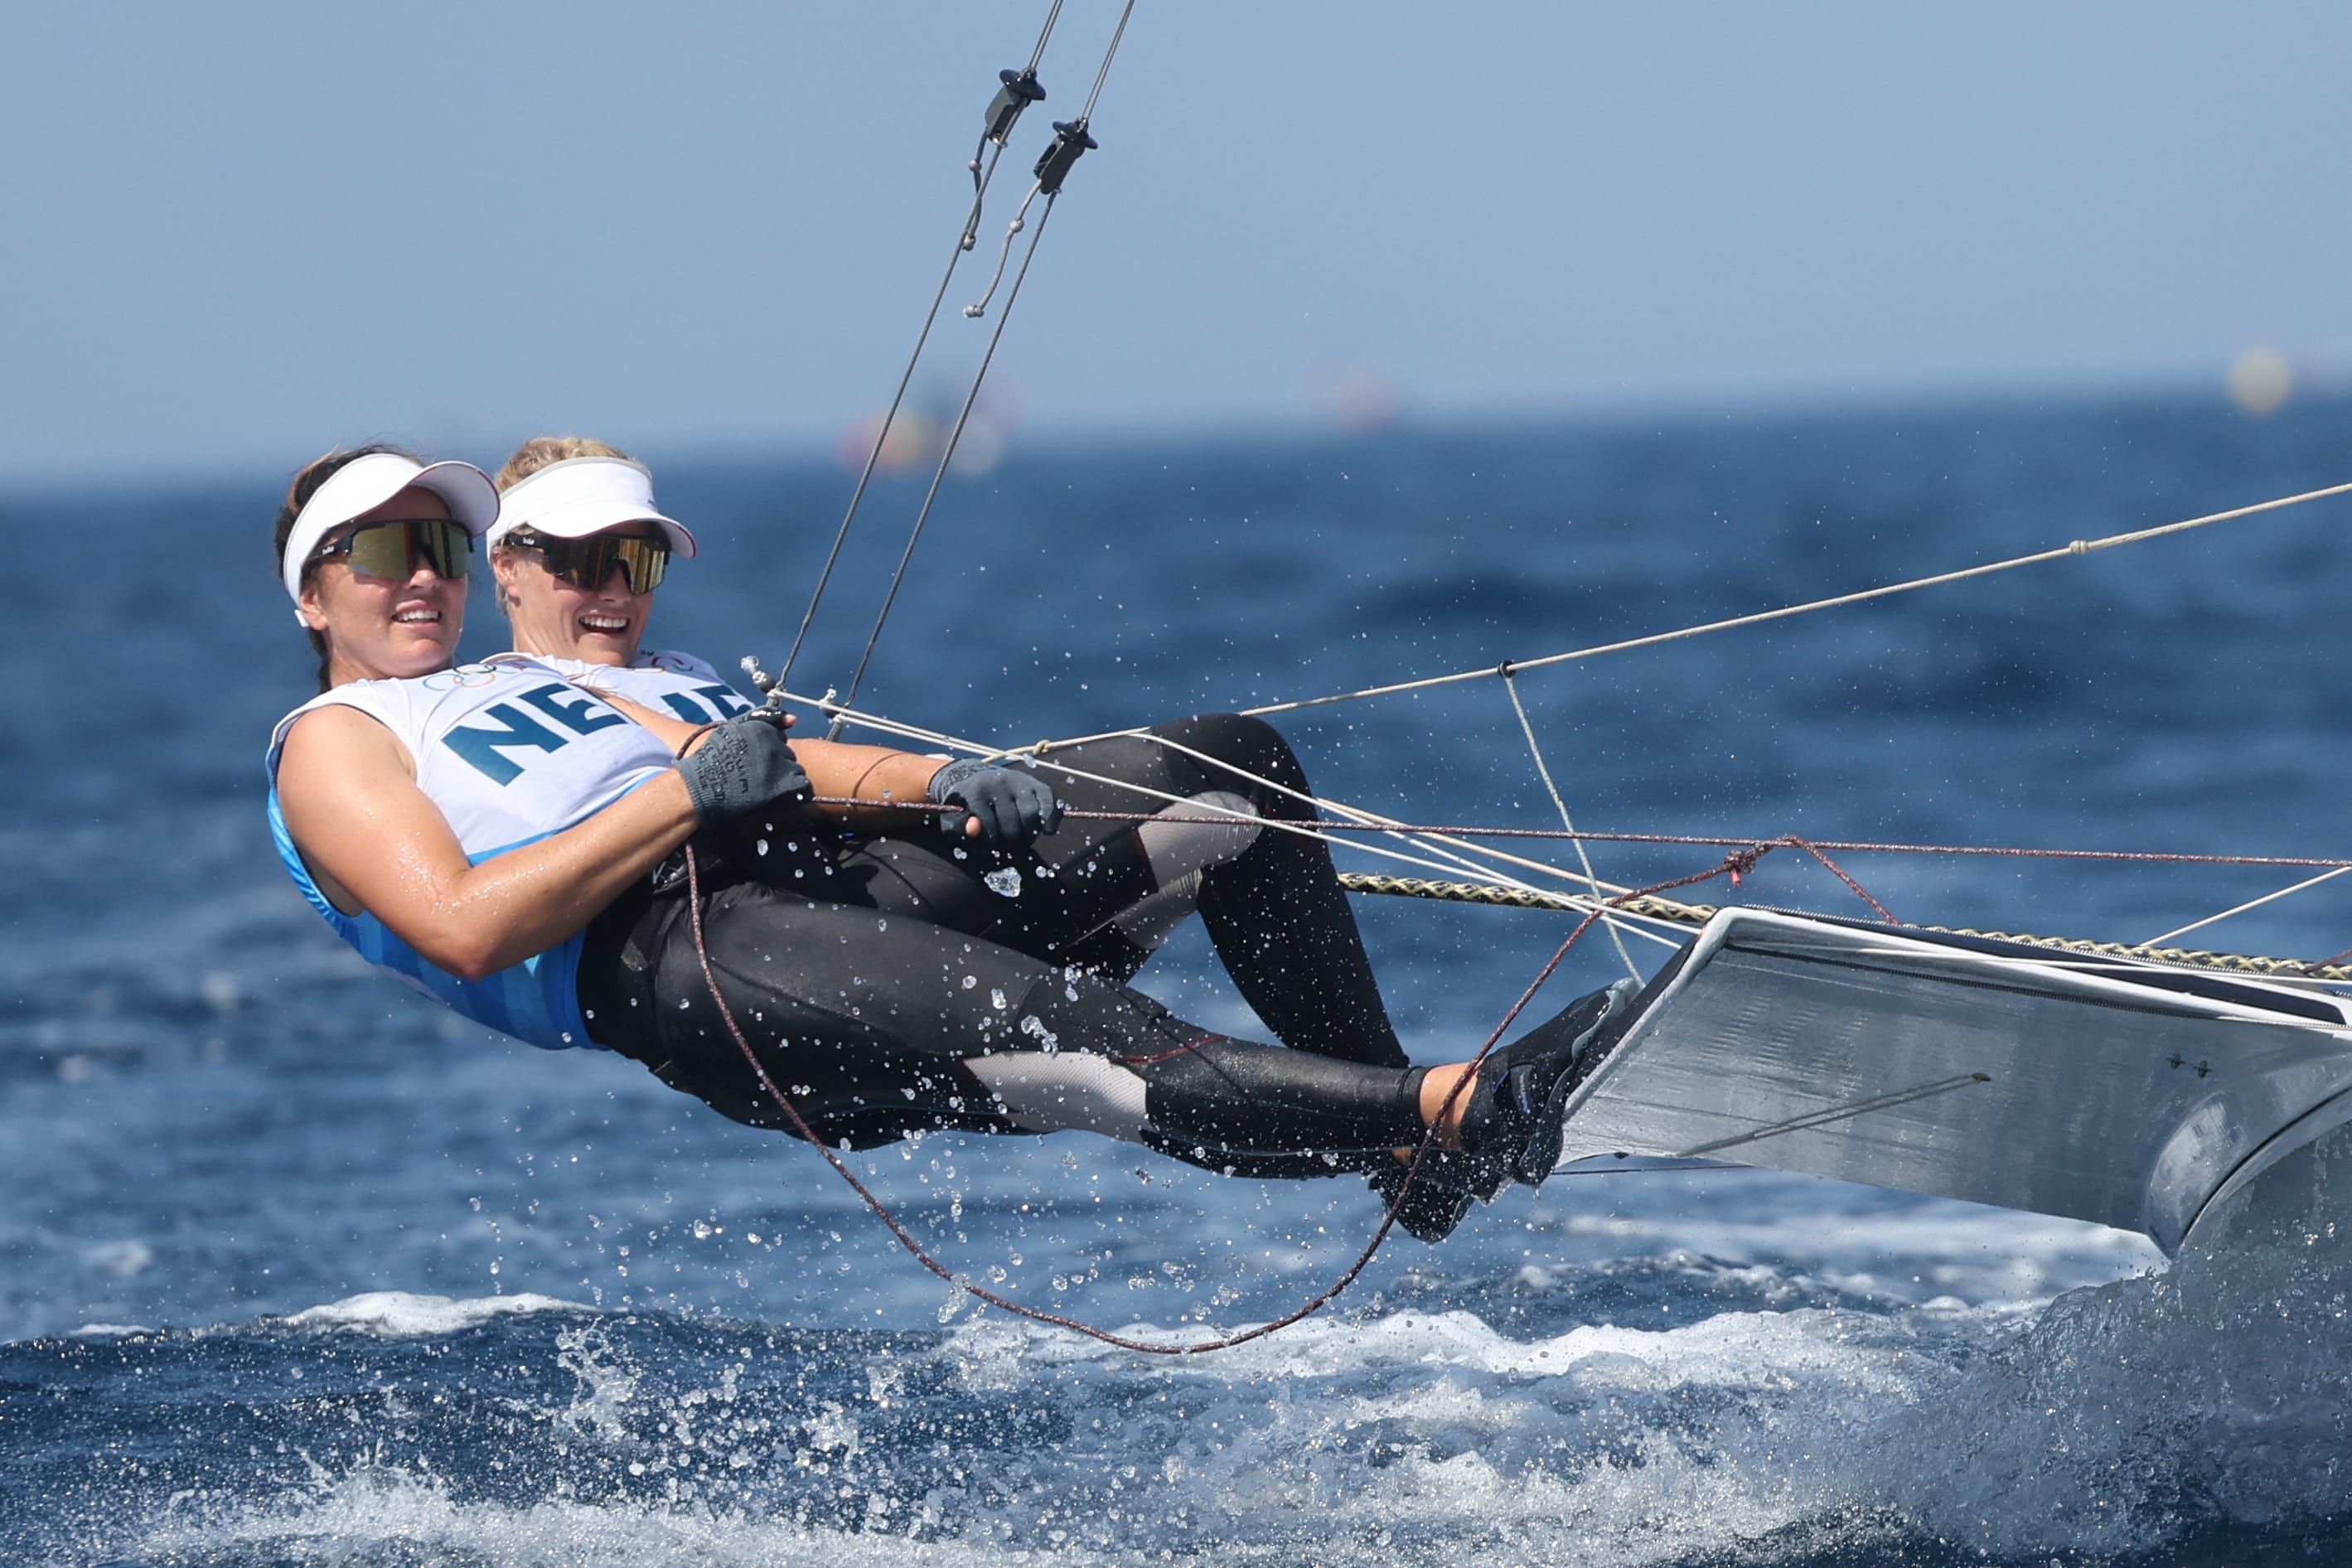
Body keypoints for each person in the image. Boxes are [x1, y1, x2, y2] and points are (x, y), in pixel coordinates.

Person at [268, 443, 1638, 1244]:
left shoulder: (530, 684)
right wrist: (683, 799)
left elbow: (784, 767)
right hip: (681, 962)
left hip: (829, 883)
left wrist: (950, 782)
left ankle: (1404, 1140)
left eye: (437, 541)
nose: (424, 572)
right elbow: (458, 922)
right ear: (315, 594)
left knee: (1225, 771)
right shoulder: (332, 740)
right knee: (1090, 1031)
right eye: (384, 549)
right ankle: (1445, 1112)